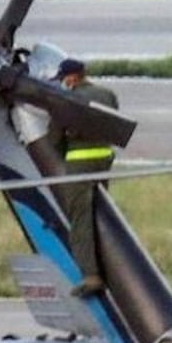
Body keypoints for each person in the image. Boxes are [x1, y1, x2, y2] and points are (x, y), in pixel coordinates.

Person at [52, 58, 120, 296]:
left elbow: (54, 139)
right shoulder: (108, 94)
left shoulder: (67, 100)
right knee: (102, 215)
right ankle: (112, 269)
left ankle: (91, 276)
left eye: (63, 79)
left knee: (81, 219)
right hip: (104, 160)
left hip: (79, 164)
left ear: (71, 78)